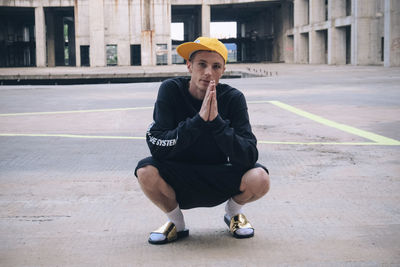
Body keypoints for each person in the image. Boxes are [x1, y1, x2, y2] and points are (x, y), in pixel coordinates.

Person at [135, 37, 270, 245]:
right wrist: (198, 121)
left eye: (216, 66)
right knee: (145, 171)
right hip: (178, 176)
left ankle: (233, 213)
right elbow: (157, 145)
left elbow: (249, 154)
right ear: (189, 66)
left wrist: (216, 123)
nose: (208, 72)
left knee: (260, 178)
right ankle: (176, 223)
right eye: (201, 64)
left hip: (219, 174)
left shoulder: (233, 98)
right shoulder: (170, 90)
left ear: (223, 70)